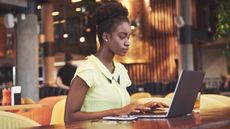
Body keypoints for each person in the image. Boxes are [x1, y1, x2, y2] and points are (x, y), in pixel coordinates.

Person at [64, 2, 167, 122]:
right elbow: (69, 117)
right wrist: (117, 112)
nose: (128, 42)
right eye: (122, 36)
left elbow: (119, 105)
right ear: (106, 37)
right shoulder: (88, 69)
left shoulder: (120, 70)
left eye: (128, 37)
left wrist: (141, 106)